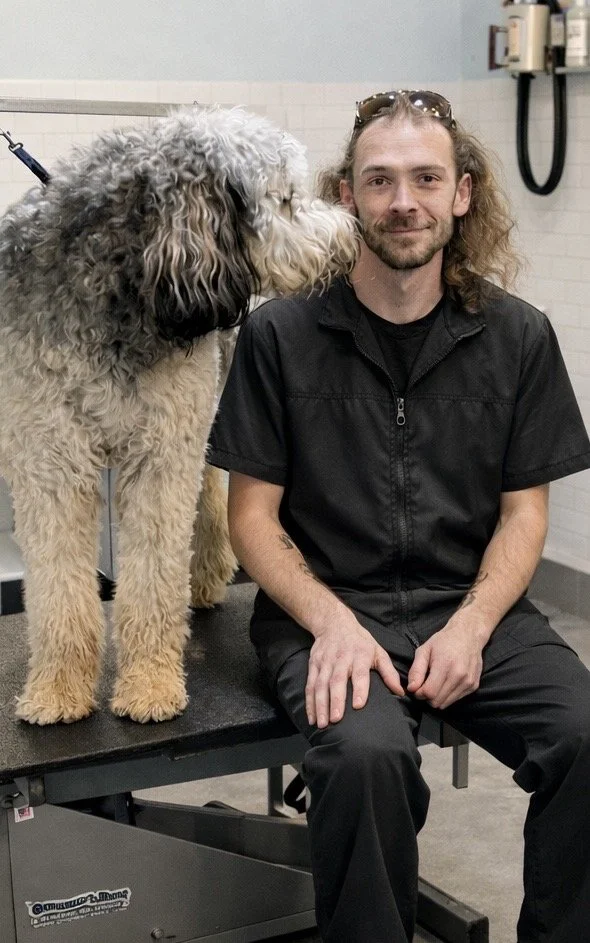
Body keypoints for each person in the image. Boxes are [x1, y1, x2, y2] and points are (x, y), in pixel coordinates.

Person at [207, 90, 590, 943]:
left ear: (462, 193)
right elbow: (252, 519)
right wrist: (331, 623)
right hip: (325, 606)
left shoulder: (518, 336)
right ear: (347, 194)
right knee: (366, 757)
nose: (403, 201)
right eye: (379, 180)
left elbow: (525, 513)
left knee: (585, 735)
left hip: (471, 602)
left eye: (425, 178)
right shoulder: (279, 335)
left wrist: (474, 625)